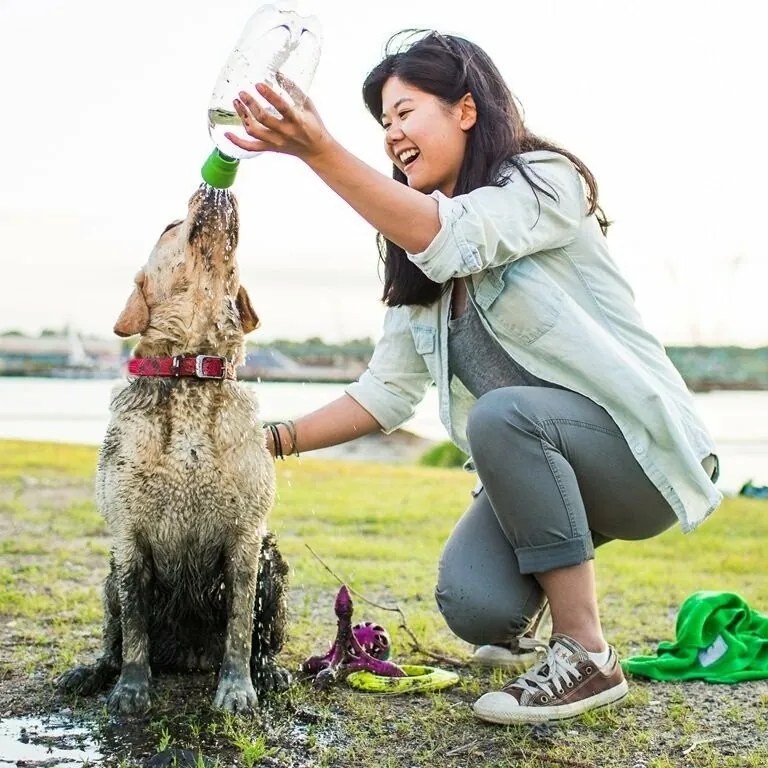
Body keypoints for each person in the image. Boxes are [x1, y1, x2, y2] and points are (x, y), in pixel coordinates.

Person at [227, 29, 722, 724]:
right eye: (383, 123)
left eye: (405, 113)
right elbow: (385, 393)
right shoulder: (418, 259)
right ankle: (540, 613)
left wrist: (319, 151)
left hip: (639, 459)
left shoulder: (544, 182)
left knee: (502, 415)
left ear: (465, 109)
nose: (392, 134)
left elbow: (455, 234)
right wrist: (263, 440)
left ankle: (586, 655)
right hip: (557, 469)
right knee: (475, 606)